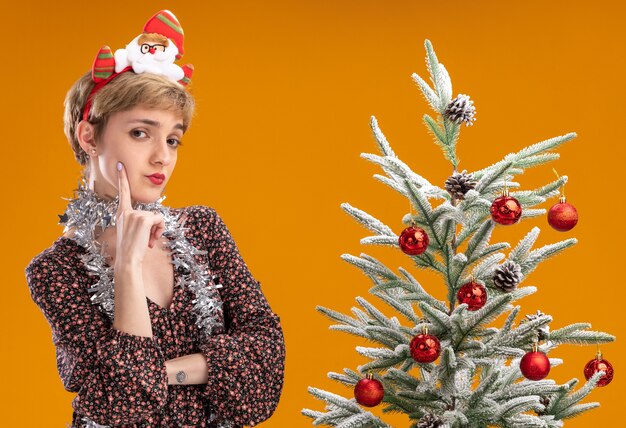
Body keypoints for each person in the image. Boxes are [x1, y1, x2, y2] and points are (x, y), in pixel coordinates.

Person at [24, 10, 285, 428]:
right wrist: (126, 265)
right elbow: (130, 408)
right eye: (141, 133)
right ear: (89, 136)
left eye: (173, 138)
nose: (162, 155)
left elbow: (266, 360)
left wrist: (164, 372)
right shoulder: (57, 271)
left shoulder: (202, 228)